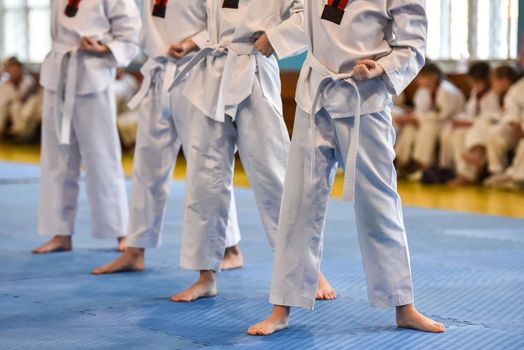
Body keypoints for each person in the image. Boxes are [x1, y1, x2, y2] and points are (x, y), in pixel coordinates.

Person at [248, 0, 445, 336]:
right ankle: (281, 306)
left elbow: (413, 44)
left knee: (379, 204)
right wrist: (274, 36)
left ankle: (404, 305)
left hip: (363, 100)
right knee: (298, 203)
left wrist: (382, 69)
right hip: (315, 96)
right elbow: (308, 20)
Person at [169, 0, 336, 303]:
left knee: (274, 174)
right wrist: (195, 42)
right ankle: (205, 274)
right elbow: (221, 24)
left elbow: (308, 14)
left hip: (255, 67)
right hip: (212, 73)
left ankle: (307, 270)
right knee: (204, 178)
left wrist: (276, 37)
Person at [92, 0, 243, 275]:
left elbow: (228, 20)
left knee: (207, 166)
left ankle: (231, 248)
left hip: (197, 71)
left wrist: (195, 41)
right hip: (158, 74)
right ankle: (135, 249)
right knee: (147, 166)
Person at [32, 0, 141, 254]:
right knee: (56, 158)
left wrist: (105, 48)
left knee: (102, 156)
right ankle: (60, 232)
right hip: (58, 74)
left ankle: (120, 230)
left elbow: (130, 31)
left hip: (92, 74)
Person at [450, 65, 519, 185]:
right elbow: (470, 112)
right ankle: (465, 174)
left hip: (500, 127)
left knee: (484, 122)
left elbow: (507, 115)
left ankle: (478, 155)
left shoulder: (505, 93)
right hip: (481, 127)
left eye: (494, 81)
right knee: (457, 134)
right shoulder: (478, 93)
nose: (493, 83)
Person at [395, 63, 465, 179]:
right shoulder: (423, 91)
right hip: (430, 121)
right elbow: (420, 111)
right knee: (409, 128)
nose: (418, 80)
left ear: (433, 77)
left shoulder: (447, 91)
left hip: (449, 122)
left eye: (422, 77)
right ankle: (402, 164)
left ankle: (425, 167)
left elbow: (442, 115)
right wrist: (412, 118)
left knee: (429, 127)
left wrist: (416, 118)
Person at [484, 76, 524, 189]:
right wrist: (514, 123)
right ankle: (497, 173)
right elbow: (511, 110)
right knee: (495, 133)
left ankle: (518, 178)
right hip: (517, 127)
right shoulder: (518, 87)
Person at [0, 57, 37, 137]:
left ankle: (19, 130)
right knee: (11, 105)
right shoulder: (5, 83)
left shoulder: (28, 80)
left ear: (20, 70)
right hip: (11, 105)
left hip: (28, 104)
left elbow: (20, 96)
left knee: (17, 106)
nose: (14, 73)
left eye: (16, 71)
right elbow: (6, 99)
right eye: (11, 71)